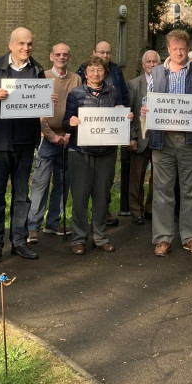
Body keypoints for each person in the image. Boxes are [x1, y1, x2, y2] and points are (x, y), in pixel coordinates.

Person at [142, 29, 192, 257]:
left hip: (190, 139)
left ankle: (190, 237)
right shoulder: (157, 72)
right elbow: (148, 99)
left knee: (190, 190)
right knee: (163, 190)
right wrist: (145, 108)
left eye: (182, 49)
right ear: (168, 49)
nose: (179, 53)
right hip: (163, 139)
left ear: (188, 47)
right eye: (174, 49)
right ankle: (163, 238)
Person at [0, 27, 44, 264]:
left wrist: (47, 100)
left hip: (25, 141)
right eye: (21, 44)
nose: (26, 48)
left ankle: (19, 241)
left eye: (30, 44)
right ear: (11, 45)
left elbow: (39, 104)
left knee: (22, 196)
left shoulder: (37, 70)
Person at [64, 55, 132, 255]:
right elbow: (65, 121)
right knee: (80, 197)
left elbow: (119, 120)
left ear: (105, 73)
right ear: (85, 73)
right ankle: (78, 238)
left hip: (107, 152)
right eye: (91, 70)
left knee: (102, 196)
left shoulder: (114, 92)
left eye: (100, 70)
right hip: (80, 151)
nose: (96, 74)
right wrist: (72, 122)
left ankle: (100, 236)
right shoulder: (75, 94)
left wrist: (125, 116)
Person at [27, 42, 80, 241]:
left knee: (62, 183)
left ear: (70, 57)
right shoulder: (43, 77)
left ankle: (53, 222)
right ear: (51, 56)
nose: (61, 57)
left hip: (68, 138)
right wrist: (52, 136)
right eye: (57, 54)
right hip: (46, 138)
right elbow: (38, 113)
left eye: (65, 54)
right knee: (40, 183)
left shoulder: (76, 79)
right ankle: (33, 226)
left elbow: (79, 107)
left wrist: (68, 134)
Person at [126, 50, 160, 226]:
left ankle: (150, 209)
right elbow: (129, 112)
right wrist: (131, 137)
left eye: (155, 61)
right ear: (143, 64)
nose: (151, 64)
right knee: (136, 177)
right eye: (148, 61)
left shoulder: (165, 83)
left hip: (160, 138)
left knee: (158, 178)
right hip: (140, 138)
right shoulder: (133, 84)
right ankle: (136, 211)